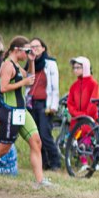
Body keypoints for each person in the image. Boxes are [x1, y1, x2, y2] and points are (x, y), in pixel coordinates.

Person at [0, 36, 52, 196]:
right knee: (3, 148)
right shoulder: (7, 65)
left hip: (21, 111)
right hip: (10, 112)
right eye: (27, 50)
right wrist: (23, 83)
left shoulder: (16, 64)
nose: (28, 53)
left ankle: (40, 181)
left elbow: (30, 77)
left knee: (36, 142)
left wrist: (32, 61)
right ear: (17, 50)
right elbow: (4, 87)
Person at [26, 37, 62, 171]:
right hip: (31, 103)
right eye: (32, 46)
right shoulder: (30, 64)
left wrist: (53, 106)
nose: (34, 49)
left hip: (45, 104)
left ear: (43, 48)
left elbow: (54, 86)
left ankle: (55, 162)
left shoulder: (50, 63)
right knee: (35, 136)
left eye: (37, 46)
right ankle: (43, 162)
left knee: (45, 135)